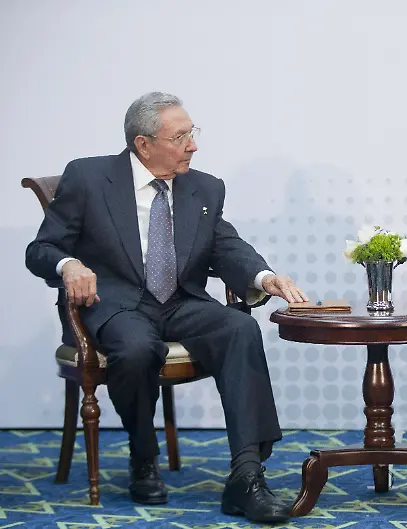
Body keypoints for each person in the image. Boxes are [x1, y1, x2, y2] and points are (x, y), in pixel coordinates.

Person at [25, 92, 309, 524]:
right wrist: (70, 265)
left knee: (240, 329)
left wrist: (263, 278)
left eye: (192, 133)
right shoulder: (88, 177)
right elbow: (40, 249)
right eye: (181, 136)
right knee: (137, 348)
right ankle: (143, 455)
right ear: (143, 144)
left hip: (180, 302)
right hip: (115, 304)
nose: (193, 144)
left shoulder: (205, 186)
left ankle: (246, 477)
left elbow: (224, 246)